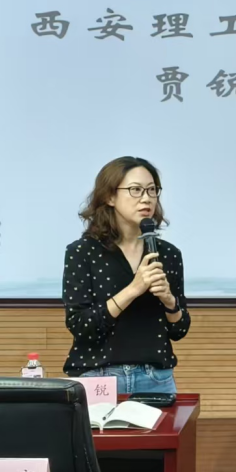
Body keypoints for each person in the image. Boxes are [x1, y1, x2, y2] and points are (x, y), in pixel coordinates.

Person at [62, 156, 191, 394]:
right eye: (135, 190)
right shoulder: (82, 252)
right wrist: (133, 289)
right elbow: (80, 326)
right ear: (110, 197)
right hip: (98, 376)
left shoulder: (168, 254)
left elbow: (179, 330)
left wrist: (169, 301)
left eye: (152, 190)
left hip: (156, 379)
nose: (146, 198)